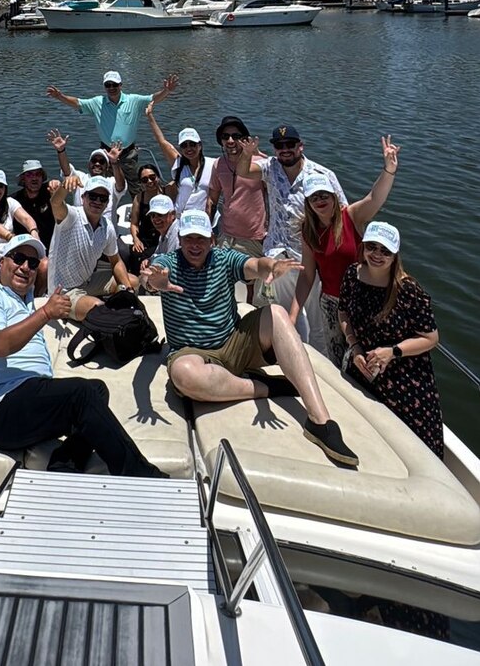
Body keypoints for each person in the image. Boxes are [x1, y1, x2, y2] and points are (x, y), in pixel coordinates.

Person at [143, 210, 359, 468]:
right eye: (189, 238)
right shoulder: (167, 263)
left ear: (212, 239)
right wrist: (154, 283)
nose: (195, 245)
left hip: (234, 342)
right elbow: (147, 279)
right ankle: (265, 387)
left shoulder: (223, 258)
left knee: (277, 313)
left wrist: (272, 266)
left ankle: (320, 421)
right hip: (192, 352)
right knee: (184, 374)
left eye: (201, 238)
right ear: (179, 238)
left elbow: (254, 266)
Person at [0, 234, 165, 477]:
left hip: (26, 397)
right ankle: (141, 475)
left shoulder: (21, 297)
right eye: (18, 258)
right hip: (1, 413)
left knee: (97, 389)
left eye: (33, 263)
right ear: (3, 261)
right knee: (81, 394)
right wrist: (46, 313)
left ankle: (65, 464)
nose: (25, 267)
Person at [288, 136, 401, 365]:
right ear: (308, 202)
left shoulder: (351, 216)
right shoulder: (308, 231)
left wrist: (389, 169)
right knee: (339, 360)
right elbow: (308, 275)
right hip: (331, 303)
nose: (320, 200)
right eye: (314, 197)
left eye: (324, 195)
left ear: (334, 196)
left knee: (369, 359)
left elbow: (375, 198)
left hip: (364, 300)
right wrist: (293, 314)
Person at [236, 123, 347, 352]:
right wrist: (246, 155)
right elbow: (244, 172)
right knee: (286, 313)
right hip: (278, 253)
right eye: (279, 146)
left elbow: (344, 214)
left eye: (290, 145)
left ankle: (321, 362)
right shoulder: (270, 167)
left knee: (317, 320)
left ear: (300, 146)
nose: (285, 150)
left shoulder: (322, 175)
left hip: (311, 258)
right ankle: (292, 354)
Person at [338, 222, 444, 457]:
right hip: (364, 369)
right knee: (367, 442)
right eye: (372, 247)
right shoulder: (352, 275)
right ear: (363, 247)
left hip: (405, 381)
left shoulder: (409, 290)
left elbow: (430, 338)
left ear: (395, 255)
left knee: (415, 451)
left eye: (385, 251)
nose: (377, 255)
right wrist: (354, 347)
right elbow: (343, 312)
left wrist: (392, 352)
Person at [46, 70, 179, 196]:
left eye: (114, 84)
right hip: (105, 153)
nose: (111, 87)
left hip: (128, 153)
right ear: (104, 86)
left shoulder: (134, 100)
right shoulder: (97, 102)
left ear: (120, 85)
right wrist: (60, 96)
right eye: (108, 85)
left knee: (136, 187)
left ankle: (138, 213)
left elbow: (153, 99)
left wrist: (166, 90)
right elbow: (77, 103)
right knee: (103, 185)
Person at [48, 174, 137, 319]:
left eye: (102, 198)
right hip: (64, 290)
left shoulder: (107, 227)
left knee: (133, 282)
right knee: (98, 309)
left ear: (107, 202)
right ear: (83, 197)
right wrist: (64, 186)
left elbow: (116, 261)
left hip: (88, 282)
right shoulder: (71, 217)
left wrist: (128, 290)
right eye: (93, 196)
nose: (97, 201)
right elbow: (56, 203)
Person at [205, 116, 267, 283]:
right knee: (222, 280)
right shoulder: (218, 164)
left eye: (236, 136)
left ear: (244, 139)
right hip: (226, 235)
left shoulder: (260, 163)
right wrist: (208, 230)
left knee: (252, 284)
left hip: (253, 237)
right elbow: (212, 199)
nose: (230, 140)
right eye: (225, 137)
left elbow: (276, 201)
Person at [145, 106, 216, 216]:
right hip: (182, 218)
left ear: (200, 145)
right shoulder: (178, 164)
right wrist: (149, 116)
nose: (189, 149)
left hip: (205, 220)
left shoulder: (213, 164)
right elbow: (162, 142)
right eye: (184, 145)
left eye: (192, 144)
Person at [47, 132, 127, 228]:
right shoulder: (80, 178)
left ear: (107, 167)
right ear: (89, 164)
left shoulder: (112, 182)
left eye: (102, 162)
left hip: (106, 232)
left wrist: (114, 162)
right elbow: (67, 173)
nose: (97, 164)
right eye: (94, 161)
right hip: (80, 229)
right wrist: (61, 151)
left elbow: (121, 186)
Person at [118, 163, 166, 274]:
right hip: (145, 239)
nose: (149, 181)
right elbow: (134, 223)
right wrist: (136, 239)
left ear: (158, 176)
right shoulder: (139, 198)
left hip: (162, 238)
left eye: (152, 177)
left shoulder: (168, 192)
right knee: (136, 254)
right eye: (144, 180)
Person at [12, 160, 57, 252]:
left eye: (38, 174)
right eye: (29, 175)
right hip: (24, 249)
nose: (34, 178)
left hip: (52, 248)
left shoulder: (50, 192)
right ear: (23, 179)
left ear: (42, 177)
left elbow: (61, 193)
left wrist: (58, 187)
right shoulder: (14, 200)